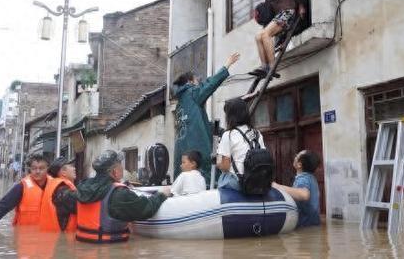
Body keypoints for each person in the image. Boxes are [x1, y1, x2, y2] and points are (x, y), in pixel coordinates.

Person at [72, 150, 170, 243]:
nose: (123, 168)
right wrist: (161, 195)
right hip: (110, 249)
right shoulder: (120, 194)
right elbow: (146, 208)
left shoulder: (82, 188)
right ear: (115, 171)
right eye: (121, 165)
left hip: (83, 245)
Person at [172, 52, 240, 186]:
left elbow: (194, 123)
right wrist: (227, 65)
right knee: (208, 183)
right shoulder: (192, 92)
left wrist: (213, 128)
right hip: (197, 152)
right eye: (197, 81)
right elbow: (210, 84)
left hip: (182, 154)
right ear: (190, 82)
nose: (199, 83)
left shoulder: (180, 103)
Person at [248, 0, 307, 77]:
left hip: (288, 12)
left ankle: (272, 67)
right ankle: (264, 67)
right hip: (280, 15)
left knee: (265, 35)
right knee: (258, 36)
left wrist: (301, 5)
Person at [0, 154, 52, 227]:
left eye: (41, 168)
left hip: (49, 233)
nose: (37, 171)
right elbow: (1, 207)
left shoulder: (57, 187)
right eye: (34, 168)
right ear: (30, 169)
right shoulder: (21, 187)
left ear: (47, 169)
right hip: (25, 235)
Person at [216, 98, 266, 191]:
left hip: (240, 182)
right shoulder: (257, 133)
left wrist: (218, 162)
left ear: (230, 116)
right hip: (258, 181)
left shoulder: (229, 135)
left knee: (223, 177)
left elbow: (225, 167)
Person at [272, 150, 321, 228]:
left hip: (305, 224)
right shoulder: (311, 178)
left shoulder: (303, 179)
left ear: (299, 165)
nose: (295, 157)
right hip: (314, 222)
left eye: (297, 156)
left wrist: (277, 186)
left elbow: (304, 195)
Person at [39, 157, 77, 232]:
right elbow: (80, 204)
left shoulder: (54, 186)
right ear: (63, 172)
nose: (74, 168)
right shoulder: (62, 190)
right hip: (64, 240)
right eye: (71, 166)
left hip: (53, 237)